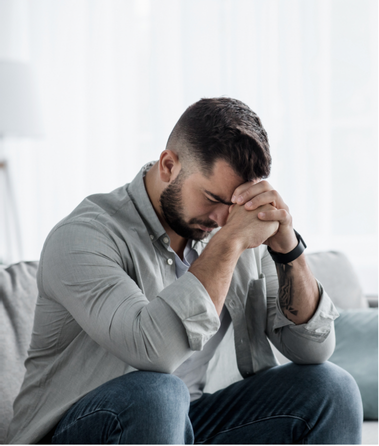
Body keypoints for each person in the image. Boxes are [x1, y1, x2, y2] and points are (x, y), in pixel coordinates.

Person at [7, 97, 362, 444]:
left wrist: (288, 249)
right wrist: (230, 241)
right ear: (168, 165)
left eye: (237, 205)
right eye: (213, 199)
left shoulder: (233, 229)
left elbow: (313, 350)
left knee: (332, 388)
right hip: (80, 428)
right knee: (158, 394)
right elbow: (154, 352)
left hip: (190, 419)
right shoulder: (83, 236)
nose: (223, 219)